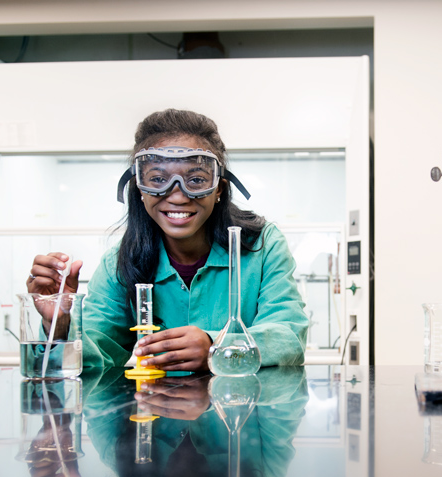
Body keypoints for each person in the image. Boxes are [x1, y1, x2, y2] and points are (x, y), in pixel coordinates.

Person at [27, 109, 308, 370]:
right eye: (158, 179)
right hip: (156, 421)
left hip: (240, 416)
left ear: (219, 188)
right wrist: (59, 325)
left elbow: (288, 337)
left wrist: (215, 347)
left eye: (196, 180)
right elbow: (98, 358)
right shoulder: (120, 262)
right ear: (139, 187)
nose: (177, 194)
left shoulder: (263, 246)